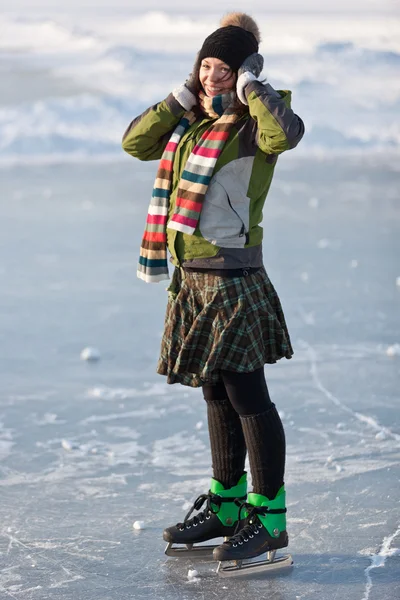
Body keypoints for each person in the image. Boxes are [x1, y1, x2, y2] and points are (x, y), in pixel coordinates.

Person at [122, 12, 304, 568]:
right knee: (216, 391)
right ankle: (226, 502)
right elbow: (135, 142)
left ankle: (269, 516)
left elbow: (287, 134)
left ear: (245, 68)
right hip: (192, 276)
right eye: (207, 65)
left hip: (233, 277)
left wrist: (252, 87)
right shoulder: (190, 122)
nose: (212, 76)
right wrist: (179, 97)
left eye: (225, 67)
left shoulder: (255, 121)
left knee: (248, 395)